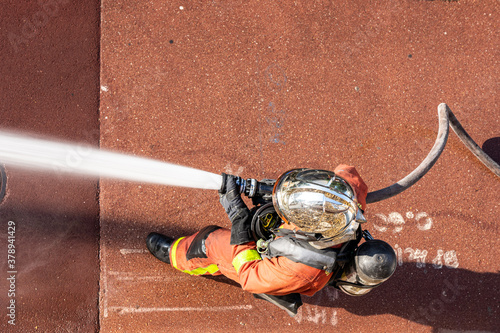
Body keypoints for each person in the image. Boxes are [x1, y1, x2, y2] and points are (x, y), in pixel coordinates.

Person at [146, 165, 396, 316]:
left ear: (311, 226)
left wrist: (239, 219)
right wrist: (269, 190)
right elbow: (346, 173)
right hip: (296, 244)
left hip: (274, 271)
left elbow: (249, 276)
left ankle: (176, 255)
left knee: (211, 242)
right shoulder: (343, 201)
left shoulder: (301, 270)